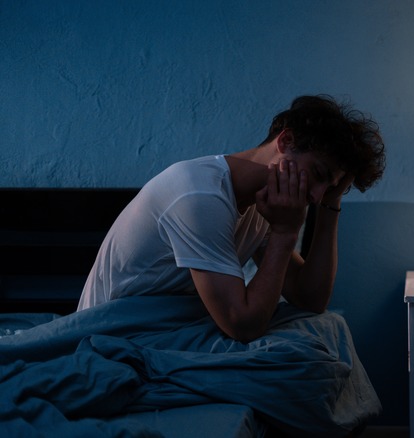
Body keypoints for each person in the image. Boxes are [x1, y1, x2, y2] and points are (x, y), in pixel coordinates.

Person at [77, 95, 385, 343]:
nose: (315, 196)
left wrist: (332, 205)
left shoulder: (263, 203)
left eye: (327, 188)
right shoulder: (199, 197)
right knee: (301, 358)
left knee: (327, 329)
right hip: (115, 334)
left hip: (168, 329)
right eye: (318, 175)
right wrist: (284, 233)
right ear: (285, 142)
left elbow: (310, 298)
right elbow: (243, 326)